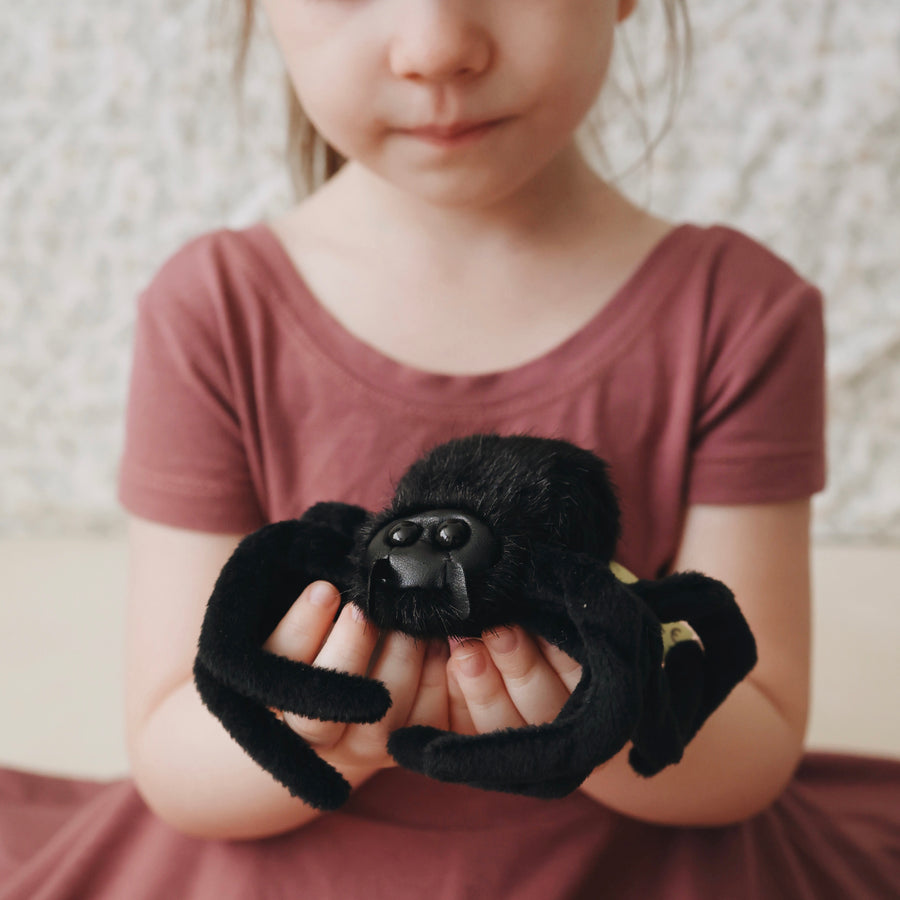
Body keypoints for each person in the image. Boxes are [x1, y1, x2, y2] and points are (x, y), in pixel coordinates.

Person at [1, 1, 897, 898]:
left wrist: (602, 718)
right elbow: (172, 743)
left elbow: (760, 729)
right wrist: (333, 733)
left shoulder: (740, 313)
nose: (436, 47)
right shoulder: (211, 312)